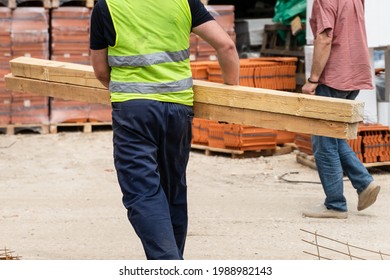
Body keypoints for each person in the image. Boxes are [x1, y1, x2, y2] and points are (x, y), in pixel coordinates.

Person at [89, 0, 239, 259]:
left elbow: (101, 70)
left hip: (133, 112)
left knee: (142, 191)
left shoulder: (107, 6)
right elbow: (226, 46)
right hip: (178, 110)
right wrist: (231, 98)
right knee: (172, 190)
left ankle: (168, 264)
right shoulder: (184, 2)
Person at [302, 0, 380, 219]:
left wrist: (313, 79)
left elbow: (325, 38)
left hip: (334, 77)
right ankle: (364, 184)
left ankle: (335, 204)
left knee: (323, 141)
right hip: (355, 74)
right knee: (335, 136)